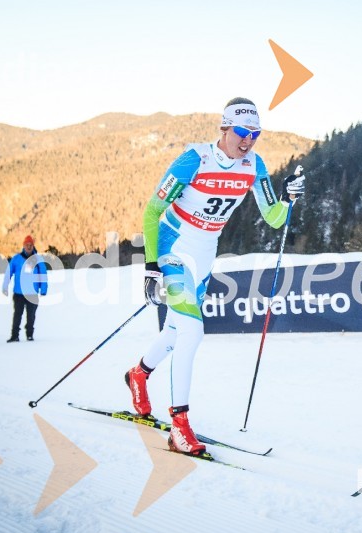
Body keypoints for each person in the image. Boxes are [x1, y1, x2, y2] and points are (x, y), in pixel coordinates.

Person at [125, 97, 306, 457]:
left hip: (205, 253)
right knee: (192, 331)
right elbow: (152, 211)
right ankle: (179, 427)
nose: (248, 140)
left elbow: (273, 217)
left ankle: (139, 375)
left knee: (176, 331)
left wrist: (288, 200)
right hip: (172, 247)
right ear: (224, 128)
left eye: (255, 133)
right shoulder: (195, 159)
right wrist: (150, 266)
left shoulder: (254, 166)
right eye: (241, 131)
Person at [2, 235, 48, 342]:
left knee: (31, 315)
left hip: (32, 292)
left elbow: (43, 274)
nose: (29, 247)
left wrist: (44, 289)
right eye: (27, 245)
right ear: (23, 246)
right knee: (17, 314)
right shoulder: (16, 258)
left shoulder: (37, 259)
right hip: (19, 292)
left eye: (31, 245)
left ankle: (29, 335)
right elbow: (9, 272)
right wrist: (5, 286)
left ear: (33, 246)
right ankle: (15, 335)